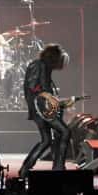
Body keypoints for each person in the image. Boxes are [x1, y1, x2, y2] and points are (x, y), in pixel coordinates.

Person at [19, 43, 70, 177]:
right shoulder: (38, 65)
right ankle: (59, 167)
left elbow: (43, 89)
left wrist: (58, 101)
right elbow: (32, 86)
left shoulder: (45, 67)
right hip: (40, 108)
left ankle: (26, 168)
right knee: (65, 131)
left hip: (42, 108)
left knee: (47, 140)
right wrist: (47, 97)